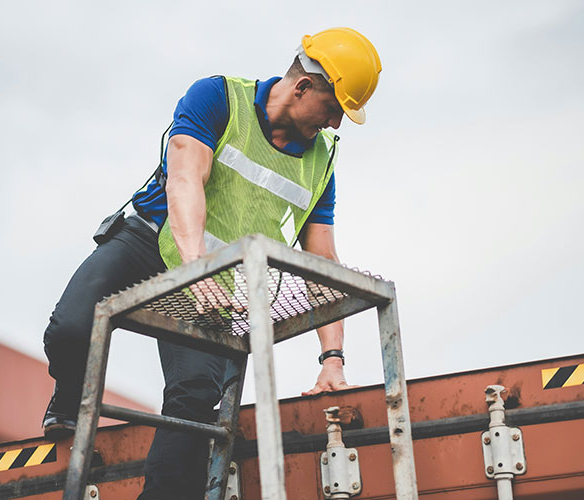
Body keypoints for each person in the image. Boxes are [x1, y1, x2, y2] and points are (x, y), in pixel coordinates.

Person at [41, 27, 381, 500]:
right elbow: (185, 179)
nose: (336, 124)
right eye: (333, 108)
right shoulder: (218, 98)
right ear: (303, 86)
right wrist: (194, 263)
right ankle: (69, 397)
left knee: (196, 398)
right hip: (151, 241)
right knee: (70, 329)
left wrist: (333, 358)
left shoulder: (321, 162)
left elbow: (321, 260)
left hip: (216, 286)